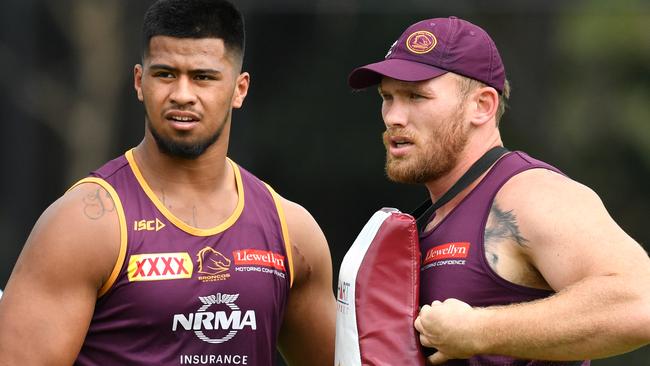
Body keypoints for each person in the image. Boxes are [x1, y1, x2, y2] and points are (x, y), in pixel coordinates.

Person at [0, 1, 335, 365]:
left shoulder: (292, 232)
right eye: (165, 74)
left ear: (240, 89)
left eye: (203, 77)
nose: (182, 95)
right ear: (139, 82)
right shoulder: (84, 225)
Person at [347, 16, 650, 365]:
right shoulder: (435, 214)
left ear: (482, 106)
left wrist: (478, 329)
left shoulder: (531, 193)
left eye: (416, 96)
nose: (394, 117)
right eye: (388, 97)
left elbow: (639, 303)